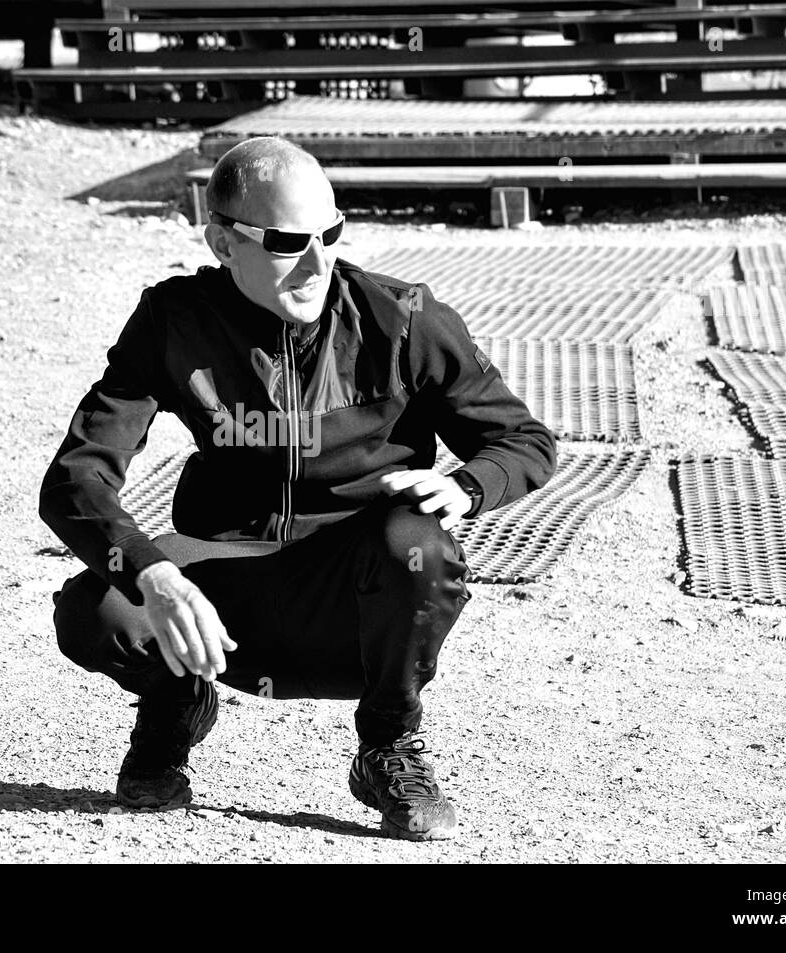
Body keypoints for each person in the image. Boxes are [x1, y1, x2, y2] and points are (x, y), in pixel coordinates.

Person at [41, 137, 556, 841]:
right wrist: (155, 572)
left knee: (420, 544)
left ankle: (388, 744)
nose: (318, 262)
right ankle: (176, 703)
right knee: (92, 606)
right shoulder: (173, 320)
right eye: (288, 242)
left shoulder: (402, 320)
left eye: (331, 234)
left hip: (355, 606)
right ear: (223, 241)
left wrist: (468, 486)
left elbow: (525, 440)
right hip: (224, 601)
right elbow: (76, 478)